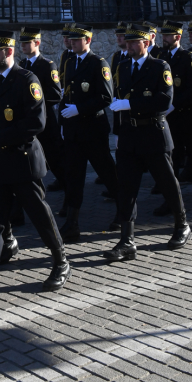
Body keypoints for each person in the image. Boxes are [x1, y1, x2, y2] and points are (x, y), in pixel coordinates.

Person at [0, 28, 71, 312]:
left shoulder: (27, 80)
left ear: (8, 52)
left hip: (22, 161)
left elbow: (36, 123)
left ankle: (61, 261)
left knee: (40, 214)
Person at [105, 27, 191, 261]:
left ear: (145, 43)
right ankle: (126, 240)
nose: (129, 46)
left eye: (134, 43)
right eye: (128, 42)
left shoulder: (159, 66)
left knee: (166, 181)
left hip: (153, 132)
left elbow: (164, 100)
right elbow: (119, 100)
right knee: (126, 187)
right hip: (130, 134)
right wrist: (118, 128)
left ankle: (182, 224)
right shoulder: (123, 67)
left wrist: (131, 104)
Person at [58, 24, 119, 242]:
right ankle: (72, 222)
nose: (71, 42)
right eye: (70, 39)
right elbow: (66, 94)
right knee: (73, 176)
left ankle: (124, 212)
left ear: (88, 40)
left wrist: (80, 109)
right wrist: (63, 122)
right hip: (74, 130)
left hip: (93, 129)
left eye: (76, 39)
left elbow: (105, 97)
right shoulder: (70, 61)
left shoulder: (97, 63)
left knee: (107, 171)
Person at [152, 19, 192, 211]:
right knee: (172, 157)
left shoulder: (188, 58)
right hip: (169, 118)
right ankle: (171, 199)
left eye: (168, 36)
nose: (164, 38)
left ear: (177, 37)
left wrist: (174, 104)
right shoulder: (162, 58)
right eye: (163, 35)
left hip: (187, 116)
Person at [18, 27, 65, 192]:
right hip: (28, 119)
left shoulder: (47, 65)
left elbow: (56, 94)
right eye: (21, 43)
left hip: (45, 118)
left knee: (53, 155)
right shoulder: (22, 64)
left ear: (37, 43)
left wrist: (36, 102)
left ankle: (66, 185)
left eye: (26, 43)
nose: (22, 46)